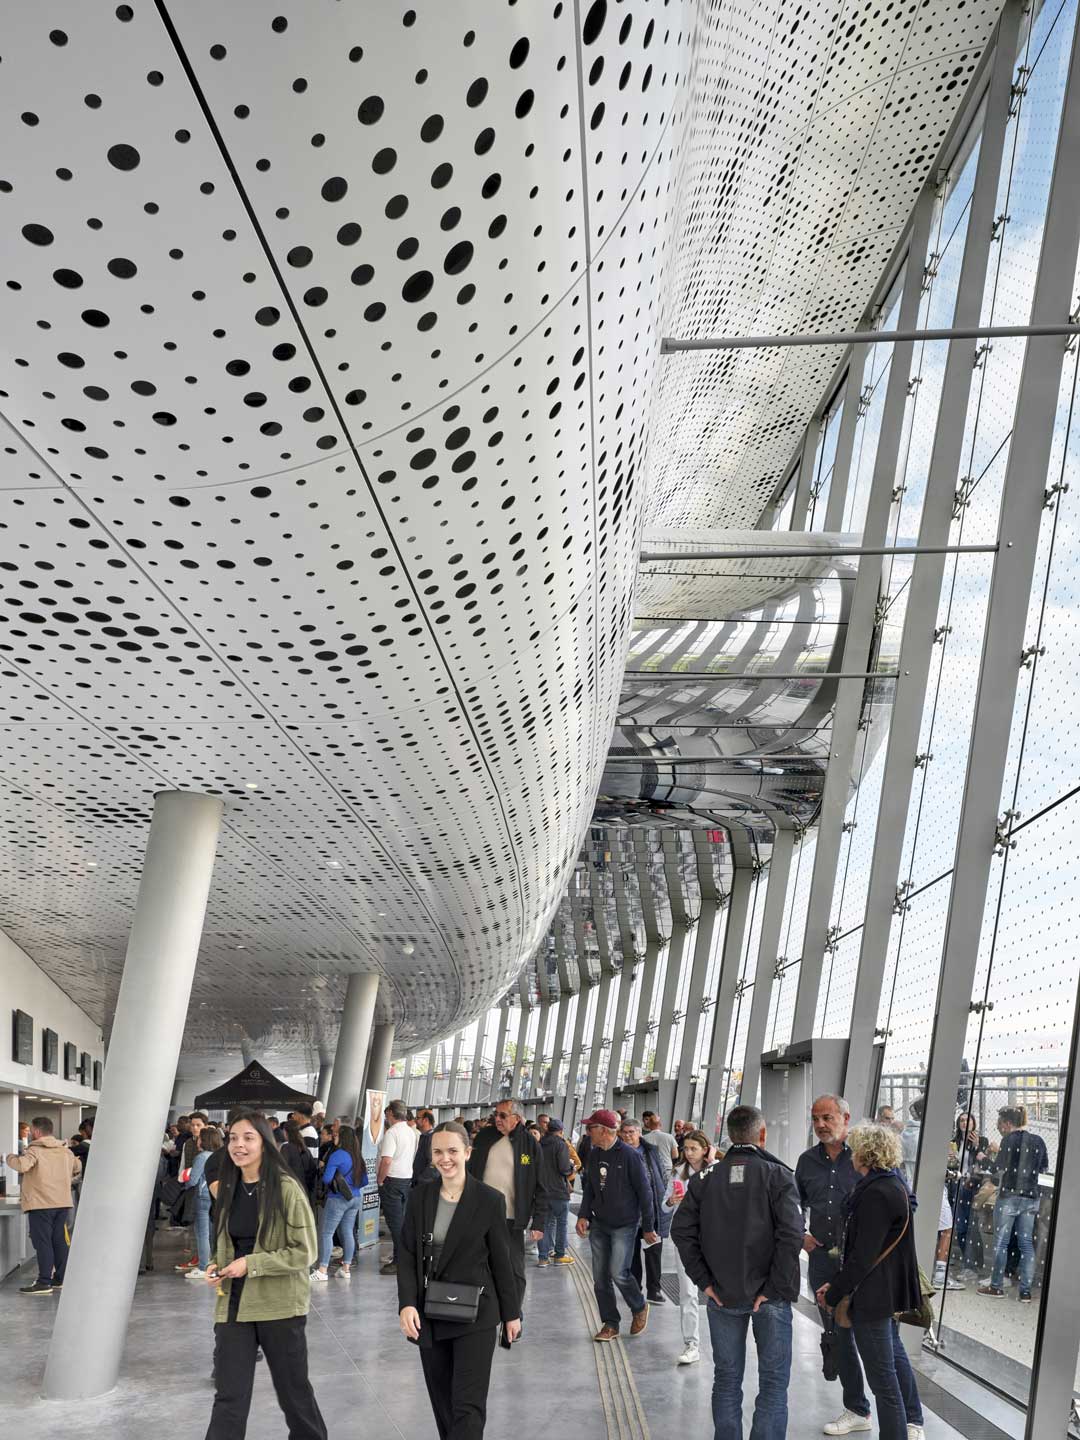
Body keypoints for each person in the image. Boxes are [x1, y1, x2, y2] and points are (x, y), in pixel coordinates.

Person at [672, 1105, 802, 1440]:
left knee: (727, 1378)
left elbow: (681, 1231)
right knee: (773, 1383)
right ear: (762, 1135)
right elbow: (791, 1236)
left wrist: (704, 1281)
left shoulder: (704, 1179)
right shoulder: (778, 1176)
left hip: (722, 1294)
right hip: (770, 1297)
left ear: (729, 1136)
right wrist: (773, 1287)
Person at [201, 1110, 326, 1438]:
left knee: (293, 1395)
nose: (238, 1145)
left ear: (265, 1143)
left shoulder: (286, 1189)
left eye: (248, 1138)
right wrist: (216, 1265)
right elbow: (227, 1242)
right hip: (233, 1305)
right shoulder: (229, 1188)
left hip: (279, 1306)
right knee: (229, 1395)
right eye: (232, 1138)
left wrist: (251, 1264)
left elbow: (305, 1251)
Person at [398, 1121, 521, 1438]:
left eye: (452, 1150)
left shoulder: (489, 1200)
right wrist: (407, 1305)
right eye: (437, 1152)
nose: (445, 1158)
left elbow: (501, 1260)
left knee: (468, 1408)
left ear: (467, 1152)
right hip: (430, 1314)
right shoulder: (420, 1198)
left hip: (476, 1316)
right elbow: (409, 1254)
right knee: (444, 1406)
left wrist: (511, 1313)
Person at [819, 1124, 925, 1440]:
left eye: (854, 1148)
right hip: (881, 1292)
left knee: (883, 1382)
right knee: (888, 1369)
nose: (850, 1154)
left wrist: (835, 1291)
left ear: (865, 1152)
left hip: (873, 1297)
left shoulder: (877, 1194)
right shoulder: (890, 1185)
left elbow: (863, 1256)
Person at [795, 1094, 872, 1437]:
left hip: (860, 1263)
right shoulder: (806, 1161)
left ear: (846, 1116)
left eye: (828, 1117)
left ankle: (908, 1416)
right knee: (839, 1334)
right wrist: (801, 1236)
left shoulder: (865, 1156)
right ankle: (857, 1407)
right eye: (815, 1119)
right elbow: (791, 1203)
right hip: (822, 1261)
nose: (821, 1125)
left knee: (876, 1337)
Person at [575, 1108, 658, 1342]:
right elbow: (590, 1188)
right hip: (600, 1223)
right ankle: (610, 1323)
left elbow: (645, 1193)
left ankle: (639, 1306)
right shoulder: (593, 1153)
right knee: (600, 1278)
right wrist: (584, 1215)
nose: (587, 1132)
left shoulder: (630, 1156)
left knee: (618, 1272)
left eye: (590, 1128)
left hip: (625, 1224)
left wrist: (649, 1226)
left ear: (603, 1131)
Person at [467, 1098, 546, 1315]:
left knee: (513, 1269)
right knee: (479, 1264)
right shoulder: (484, 1137)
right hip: (481, 1214)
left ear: (517, 1119)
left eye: (503, 1116)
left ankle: (513, 1314)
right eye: (496, 1115)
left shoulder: (529, 1145)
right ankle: (485, 1310)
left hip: (512, 1217)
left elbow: (541, 1186)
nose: (497, 1119)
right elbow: (470, 1173)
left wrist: (538, 1221)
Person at [978, 1105, 1048, 1303]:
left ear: (1008, 1124)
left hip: (1009, 1197)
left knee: (1001, 1243)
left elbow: (997, 1169)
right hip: (1031, 1198)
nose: (999, 1128)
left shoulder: (1008, 1140)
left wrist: (983, 1158)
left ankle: (996, 1286)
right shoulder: (1039, 1140)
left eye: (999, 1124)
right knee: (1027, 1245)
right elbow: (1043, 1167)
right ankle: (1025, 1292)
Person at [5, 1116, 80, 1295]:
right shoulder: (65, 1150)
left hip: (41, 1204)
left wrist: (9, 1157)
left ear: (37, 1132)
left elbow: (23, 1166)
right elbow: (78, 1166)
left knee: (43, 1242)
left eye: (31, 1131)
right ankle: (60, 1279)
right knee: (59, 1241)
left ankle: (44, 1282)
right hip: (62, 1202)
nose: (30, 1133)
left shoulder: (35, 1150)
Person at [664, 1128, 712, 1366]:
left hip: (714, 1238)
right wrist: (670, 1201)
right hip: (685, 1238)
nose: (690, 1153)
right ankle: (691, 1343)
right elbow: (664, 1206)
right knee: (688, 1293)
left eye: (694, 1148)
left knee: (719, 1290)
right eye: (686, 1149)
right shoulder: (677, 1173)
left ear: (706, 1149)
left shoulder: (718, 1171)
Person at [619, 1117, 671, 1304]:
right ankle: (635, 1290)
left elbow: (661, 1175)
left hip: (652, 1209)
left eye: (631, 1132)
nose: (627, 1136)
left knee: (654, 1253)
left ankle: (654, 1290)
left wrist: (664, 1199)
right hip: (628, 1212)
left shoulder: (651, 1151)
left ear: (640, 1133)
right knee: (631, 1254)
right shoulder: (618, 1153)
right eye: (624, 1132)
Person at [312, 1123, 367, 1282]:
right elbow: (364, 1181)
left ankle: (322, 1270)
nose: (333, 1136)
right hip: (355, 1198)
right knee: (348, 1231)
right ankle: (346, 1269)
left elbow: (327, 1179)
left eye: (335, 1135)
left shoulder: (337, 1155)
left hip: (338, 1199)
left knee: (327, 1233)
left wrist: (327, 1169)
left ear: (342, 1137)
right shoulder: (358, 1156)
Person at [378, 1098, 419, 1275]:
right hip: (405, 1179)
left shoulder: (392, 1133)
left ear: (391, 1114)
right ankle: (402, 1257)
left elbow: (386, 1160)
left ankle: (400, 1261)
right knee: (401, 1222)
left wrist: (380, 1179)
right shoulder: (411, 1131)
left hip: (392, 1181)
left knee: (395, 1224)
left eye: (387, 1113)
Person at [185, 1125, 223, 1280]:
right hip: (215, 1195)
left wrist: (184, 1179)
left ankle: (202, 1267)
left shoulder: (202, 1157)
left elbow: (193, 1180)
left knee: (202, 1233)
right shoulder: (220, 1155)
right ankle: (213, 1263)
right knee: (212, 1232)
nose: (197, 1141)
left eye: (200, 1138)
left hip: (202, 1196)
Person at [536, 1116, 575, 1266]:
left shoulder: (539, 1145)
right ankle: (559, 1255)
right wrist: (571, 1167)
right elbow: (564, 1169)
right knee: (561, 1223)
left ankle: (543, 1258)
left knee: (544, 1224)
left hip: (542, 1192)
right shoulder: (561, 1145)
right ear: (560, 1131)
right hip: (558, 1191)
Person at [281, 1120, 318, 1208]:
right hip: (304, 1191)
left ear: (286, 1132)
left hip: (290, 1191)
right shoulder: (305, 1149)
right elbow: (313, 1171)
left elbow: (282, 1169)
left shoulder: (286, 1148)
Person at [642, 1111, 678, 1184]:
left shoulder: (644, 1138)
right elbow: (675, 1155)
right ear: (660, 1125)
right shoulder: (669, 1137)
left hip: (651, 1170)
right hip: (667, 1169)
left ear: (649, 1125)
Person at [413, 1109, 438, 1184]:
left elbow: (433, 1163)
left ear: (426, 1120)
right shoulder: (425, 1136)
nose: (415, 1121)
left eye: (417, 1118)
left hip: (426, 1184)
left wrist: (421, 1179)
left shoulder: (431, 1138)